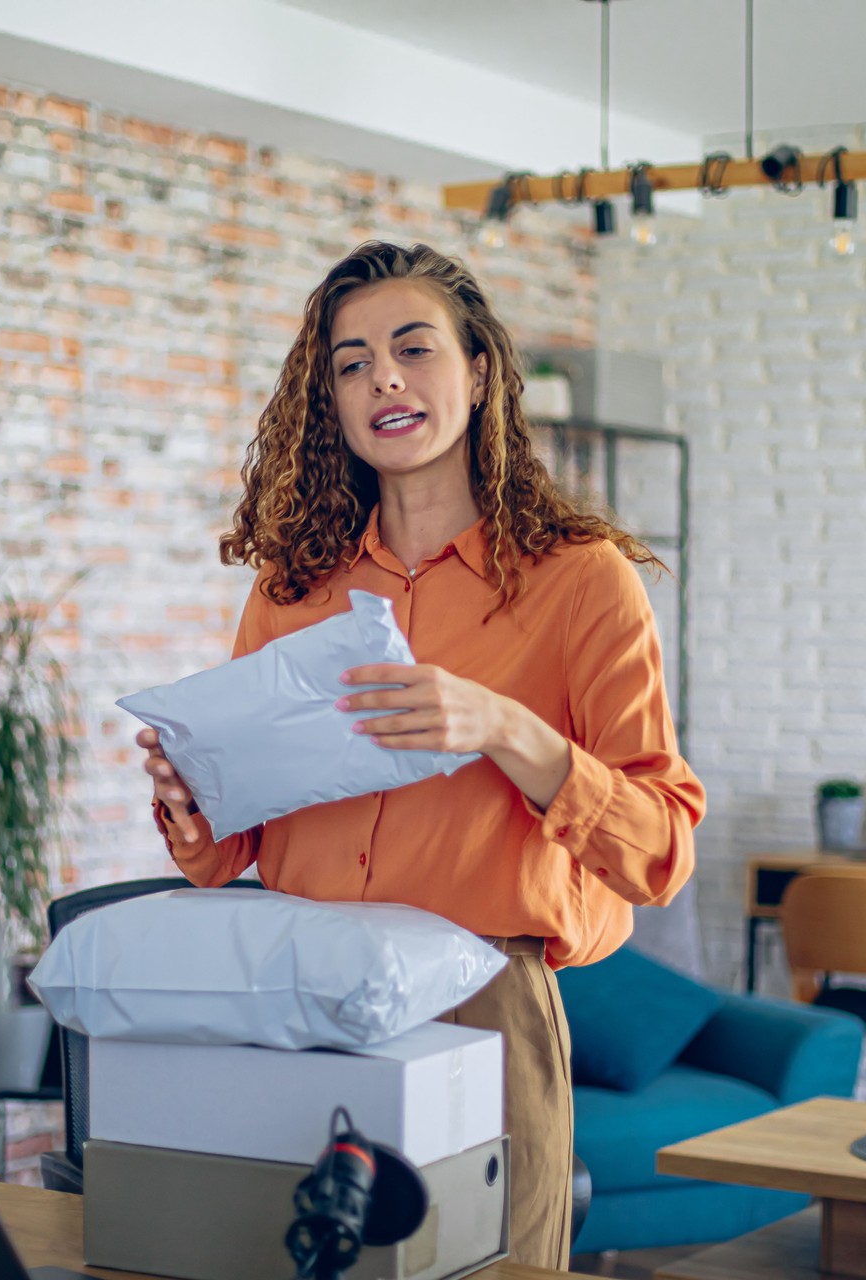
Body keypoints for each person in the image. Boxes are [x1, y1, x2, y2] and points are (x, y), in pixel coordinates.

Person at [136, 240, 704, 1269]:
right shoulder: (291, 588)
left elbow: (661, 851)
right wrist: (193, 805)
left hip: (482, 1003)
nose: (383, 378)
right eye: (351, 362)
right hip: (299, 993)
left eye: (411, 347)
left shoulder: (582, 581)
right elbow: (236, 851)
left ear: (479, 370)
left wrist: (502, 727)